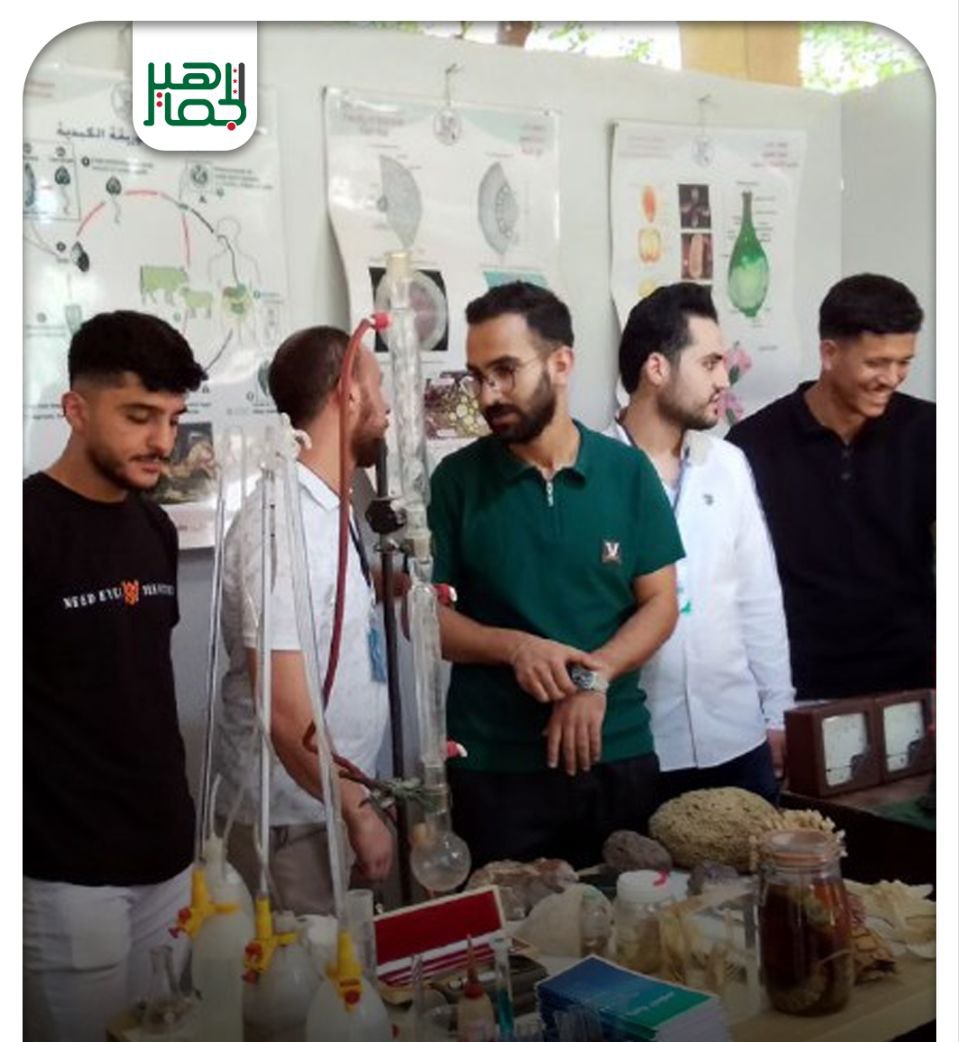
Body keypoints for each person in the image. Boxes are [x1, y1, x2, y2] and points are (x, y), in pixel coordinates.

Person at [24, 311, 206, 1042]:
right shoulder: (24, 531)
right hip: (66, 875)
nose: (160, 441)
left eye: (170, 419)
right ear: (75, 408)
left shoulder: (152, 526)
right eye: (139, 416)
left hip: (163, 859)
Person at [427, 283, 683, 869]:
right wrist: (516, 648)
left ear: (561, 364)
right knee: (509, 924)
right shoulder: (457, 483)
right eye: (477, 377)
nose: (488, 395)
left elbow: (660, 604)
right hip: (496, 767)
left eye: (505, 371)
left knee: (631, 913)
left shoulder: (626, 472)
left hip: (614, 752)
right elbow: (427, 622)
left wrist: (595, 680)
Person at [215, 327, 393, 913]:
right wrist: (358, 812)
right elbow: (287, 713)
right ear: (349, 392)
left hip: (332, 803)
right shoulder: (280, 524)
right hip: (293, 820)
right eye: (379, 387)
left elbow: (325, 608)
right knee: (308, 970)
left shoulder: (328, 507)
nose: (387, 407)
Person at [607, 284, 793, 804]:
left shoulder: (728, 465)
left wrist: (778, 713)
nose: (723, 380)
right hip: (639, 744)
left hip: (738, 739)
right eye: (709, 363)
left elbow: (758, 597)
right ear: (656, 368)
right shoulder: (595, 473)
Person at [727, 274, 934, 700]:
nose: (892, 378)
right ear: (829, 353)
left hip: (911, 684)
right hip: (797, 689)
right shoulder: (753, 446)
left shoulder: (930, 432)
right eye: (876, 363)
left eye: (904, 362)